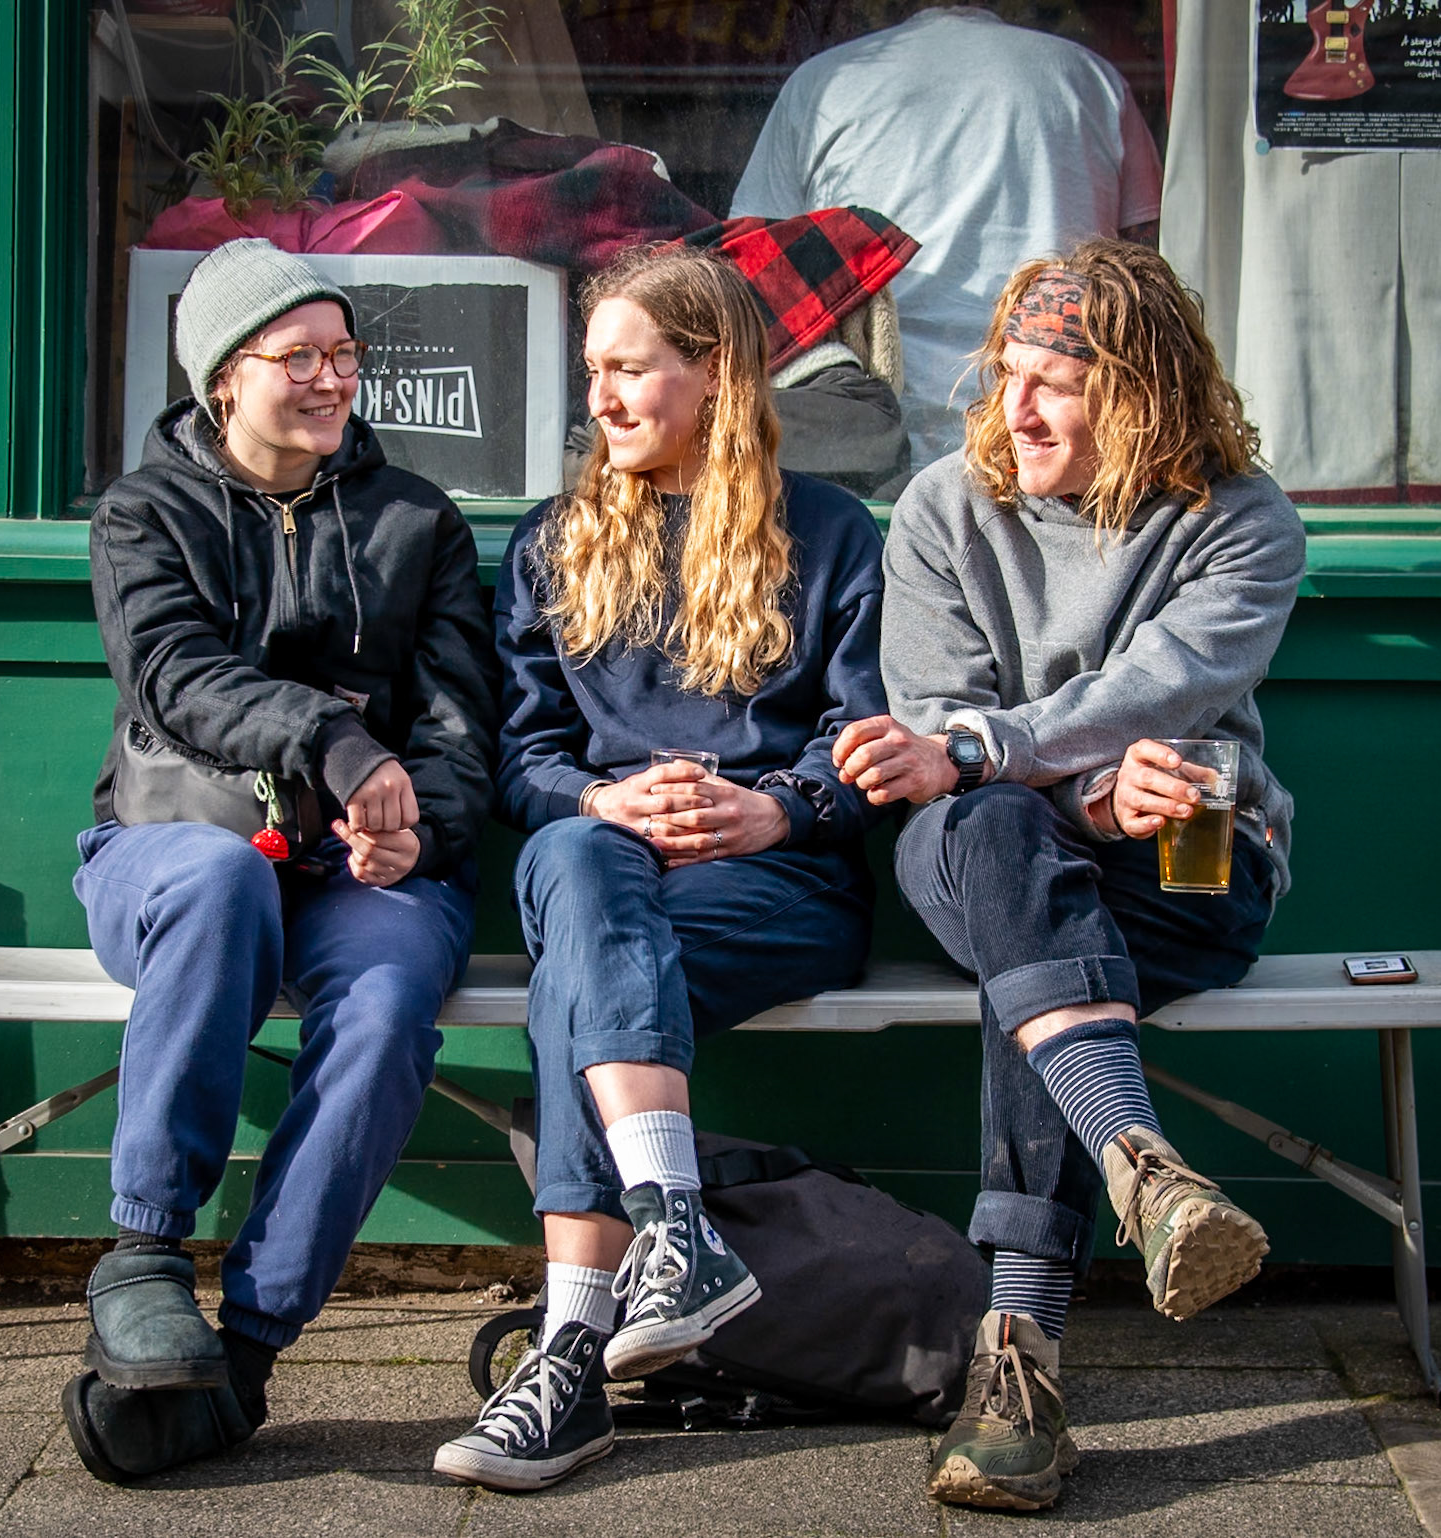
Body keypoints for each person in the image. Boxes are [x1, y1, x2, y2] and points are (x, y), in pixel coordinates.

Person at [834, 239, 1303, 1513]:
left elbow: (1158, 691)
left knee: (1031, 963)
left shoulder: (1240, 520)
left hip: (1189, 875)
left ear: (1143, 398)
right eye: (1004, 375)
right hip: (989, 853)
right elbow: (937, 737)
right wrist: (1069, 784)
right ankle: (1135, 1158)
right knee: (997, 849)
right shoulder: (942, 508)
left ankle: (1020, 1367)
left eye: (1054, 382)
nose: (1013, 409)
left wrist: (1066, 783)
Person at [433, 244, 888, 1492]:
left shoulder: (834, 536)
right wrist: (601, 791)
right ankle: (673, 1232)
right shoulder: (556, 544)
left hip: (777, 892)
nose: (603, 400)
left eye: (631, 369)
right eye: (595, 373)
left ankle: (570, 1355)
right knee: (580, 854)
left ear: (718, 373)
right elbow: (520, 762)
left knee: (575, 986)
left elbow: (871, 747)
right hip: (600, 873)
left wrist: (778, 809)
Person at [62, 238, 498, 1482]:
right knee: (216, 877)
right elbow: (177, 676)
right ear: (222, 376)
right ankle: (145, 1251)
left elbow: (463, 718)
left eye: (344, 354)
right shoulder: (146, 514)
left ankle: (241, 1356)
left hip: (354, 875)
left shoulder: (416, 520)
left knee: (391, 996)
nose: (328, 379)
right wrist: (337, 738)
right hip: (171, 845)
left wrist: (424, 825)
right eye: (296, 355)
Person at [731, 6, 1162, 471]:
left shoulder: (824, 82)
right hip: (1053, 428)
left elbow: (753, 270)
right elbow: (1141, 272)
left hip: (876, 435)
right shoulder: (1087, 78)